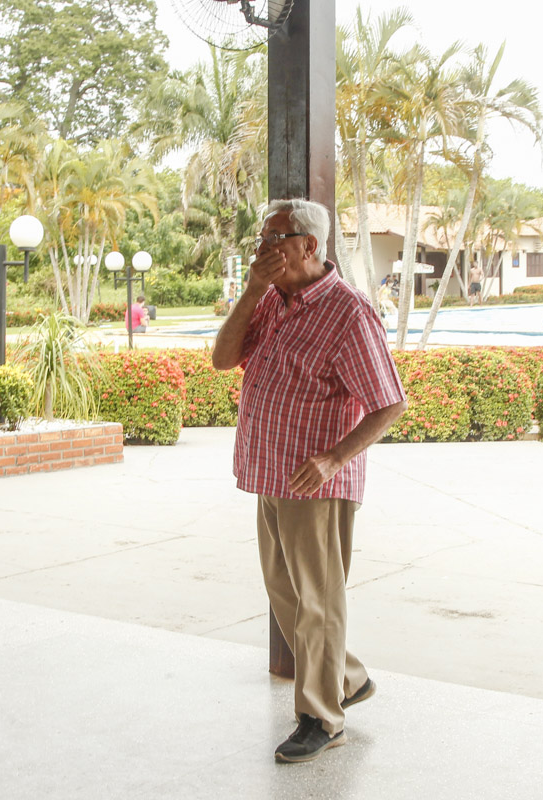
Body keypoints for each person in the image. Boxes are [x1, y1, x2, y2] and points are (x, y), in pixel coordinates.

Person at [212, 198, 407, 764]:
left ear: (310, 245)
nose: (262, 248)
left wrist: (332, 459)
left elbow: (388, 404)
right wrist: (251, 291)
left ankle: (322, 717)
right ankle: (347, 675)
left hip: (314, 482)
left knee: (318, 600)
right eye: (261, 237)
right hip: (268, 472)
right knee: (287, 595)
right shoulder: (272, 301)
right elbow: (224, 360)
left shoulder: (349, 314)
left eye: (275, 238)